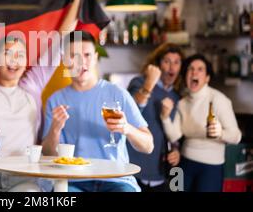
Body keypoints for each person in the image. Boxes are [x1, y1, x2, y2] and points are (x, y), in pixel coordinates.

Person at [0, 0, 82, 192]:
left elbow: (61, 40)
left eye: (20, 55)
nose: (14, 60)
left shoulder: (33, 84)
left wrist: (76, 1)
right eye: (7, 54)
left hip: (25, 176)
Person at [42, 31, 154, 192]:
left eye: (87, 55)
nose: (82, 62)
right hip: (74, 181)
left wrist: (126, 128)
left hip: (116, 180)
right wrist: (54, 129)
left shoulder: (118, 93)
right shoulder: (56, 100)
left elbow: (148, 146)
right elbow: (47, 154)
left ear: (95, 57)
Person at [160, 54, 241, 192]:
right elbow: (174, 136)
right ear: (186, 76)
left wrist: (220, 133)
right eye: (190, 69)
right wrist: (165, 117)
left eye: (200, 69)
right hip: (183, 164)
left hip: (211, 167)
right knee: (174, 190)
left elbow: (236, 136)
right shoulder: (182, 103)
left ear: (207, 78)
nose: (194, 72)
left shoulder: (219, 100)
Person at [127, 43, 184, 192]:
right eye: (167, 61)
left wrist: (176, 150)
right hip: (133, 169)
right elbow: (130, 112)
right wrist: (149, 83)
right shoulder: (139, 82)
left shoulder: (176, 96)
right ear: (158, 65)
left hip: (160, 173)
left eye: (176, 62)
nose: (172, 67)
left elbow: (173, 132)